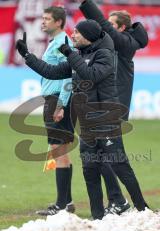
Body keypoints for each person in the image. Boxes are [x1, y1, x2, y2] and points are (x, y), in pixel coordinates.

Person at [16, 19, 128, 219]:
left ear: (87, 36)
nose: (72, 35)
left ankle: (118, 202)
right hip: (86, 115)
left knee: (100, 160)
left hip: (100, 114)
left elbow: (89, 75)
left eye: (76, 32)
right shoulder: (78, 55)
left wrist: (70, 55)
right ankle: (113, 204)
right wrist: (27, 55)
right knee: (97, 161)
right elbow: (50, 72)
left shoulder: (100, 55)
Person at [78, 0, 149, 212]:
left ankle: (133, 205)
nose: (106, 28)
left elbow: (104, 29)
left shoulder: (126, 44)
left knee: (112, 159)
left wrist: (85, 4)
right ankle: (119, 202)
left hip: (113, 109)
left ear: (121, 28)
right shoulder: (108, 46)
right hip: (98, 109)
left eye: (111, 24)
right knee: (99, 158)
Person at [35, 6, 75, 216]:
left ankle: (61, 205)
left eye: (47, 19)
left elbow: (69, 76)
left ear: (58, 22)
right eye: (43, 18)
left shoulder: (62, 43)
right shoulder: (57, 42)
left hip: (57, 101)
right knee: (61, 151)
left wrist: (60, 105)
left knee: (58, 151)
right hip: (56, 99)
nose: (43, 22)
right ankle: (66, 202)